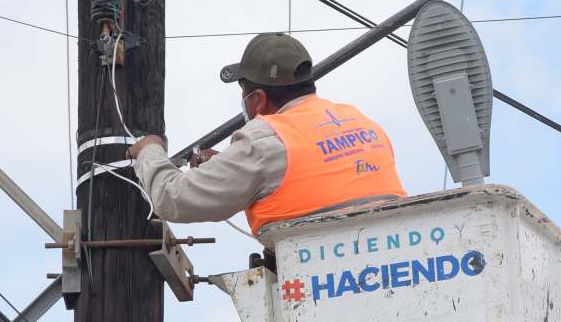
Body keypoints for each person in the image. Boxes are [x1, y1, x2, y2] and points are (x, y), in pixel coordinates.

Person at [127, 32, 406, 237]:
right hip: (398, 257)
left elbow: (172, 197)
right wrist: (230, 163)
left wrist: (149, 151)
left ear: (258, 99)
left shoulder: (263, 139)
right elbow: (319, 176)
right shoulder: (361, 121)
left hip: (316, 274)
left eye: (243, 94)